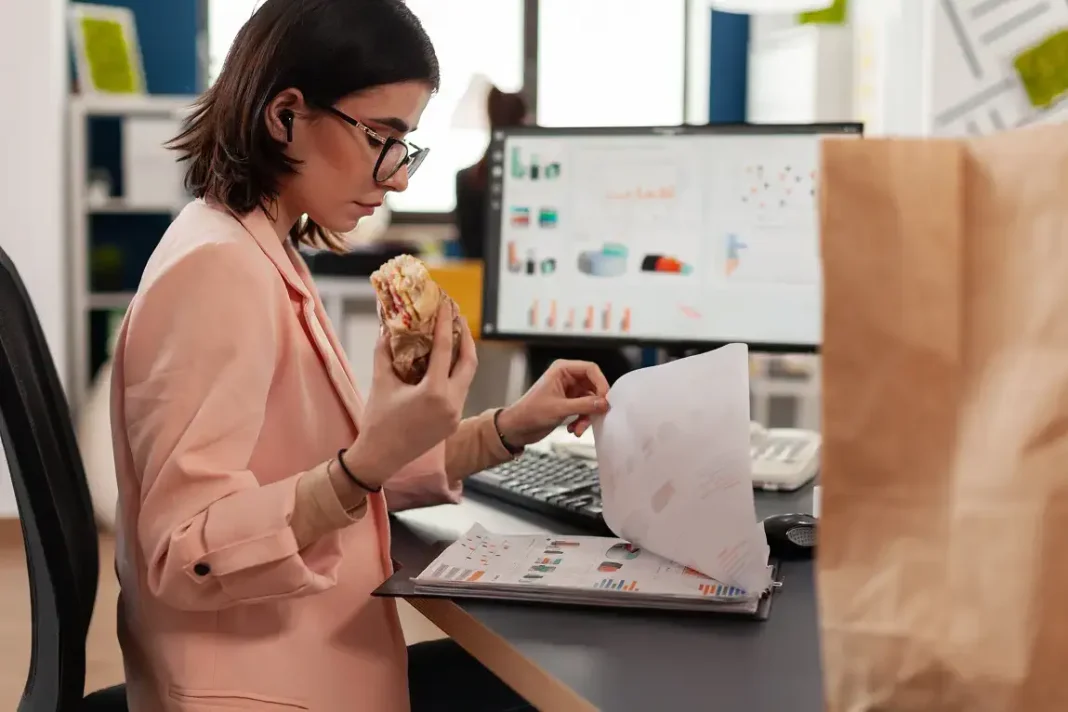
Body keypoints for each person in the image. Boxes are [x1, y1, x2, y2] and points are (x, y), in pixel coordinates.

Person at [110, 2, 609, 711]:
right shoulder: (218, 271)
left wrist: (508, 428)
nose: (399, 176)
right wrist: (361, 466)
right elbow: (184, 551)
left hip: (304, 662)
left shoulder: (259, 247)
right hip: (263, 689)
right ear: (284, 116)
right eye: (384, 136)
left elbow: (327, 462)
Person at [453, 89, 635, 386]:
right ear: (525, 118)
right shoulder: (542, 177)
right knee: (617, 365)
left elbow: (469, 248)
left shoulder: (468, 178)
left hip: (502, 305)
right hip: (547, 299)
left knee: (543, 367)